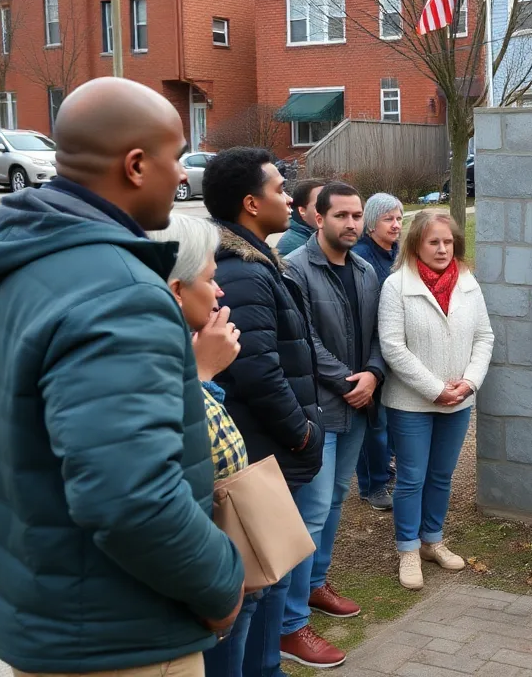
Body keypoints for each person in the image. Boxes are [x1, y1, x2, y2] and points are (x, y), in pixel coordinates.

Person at [0, 78, 244, 676]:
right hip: (119, 637)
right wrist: (221, 584)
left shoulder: (19, 260)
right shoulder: (119, 293)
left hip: (46, 612)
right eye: (176, 158)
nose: (182, 176)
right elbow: (132, 498)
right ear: (136, 165)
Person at [203, 147, 325, 677]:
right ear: (251, 204)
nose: (289, 198)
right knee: (253, 589)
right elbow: (258, 371)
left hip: (272, 450)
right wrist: (301, 433)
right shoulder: (245, 274)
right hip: (262, 454)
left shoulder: (259, 263)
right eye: (279, 189)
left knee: (272, 579)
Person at [281, 182, 388, 667]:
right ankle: (290, 623)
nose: (351, 223)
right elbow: (301, 340)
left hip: (358, 404)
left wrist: (374, 373)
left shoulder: (365, 271)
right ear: (317, 218)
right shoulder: (295, 269)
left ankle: (315, 584)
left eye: (357, 215)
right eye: (341, 215)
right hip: (318, 409)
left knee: (336, 500)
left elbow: (379, 334)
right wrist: (350, 380)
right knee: (310, 511)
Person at [148, 215, 255, 677]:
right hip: (191, 588)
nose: (219, 291)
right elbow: (184, 461)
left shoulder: (170, 345)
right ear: (176, 289)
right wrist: (203, 375)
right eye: (210, 279)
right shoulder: (147, 357)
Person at [378, 209, 494, 591]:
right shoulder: (396, 286)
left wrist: (469, 383)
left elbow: (484, 337)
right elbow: (393, 347)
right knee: (412, 477)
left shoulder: (468, 282)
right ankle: (408, 549)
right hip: (411, 402)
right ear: (416, 245)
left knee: (442, 475)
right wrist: (435, 388)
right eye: (434, 242)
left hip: (458, 400)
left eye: (448, 242)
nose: (443, 249)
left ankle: (432, 540)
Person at [353, 192, 405, 511]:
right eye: (388, 219)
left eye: (399, 218)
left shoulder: (397, 253)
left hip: (394, 350)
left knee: (391, 420)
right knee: (375, 424)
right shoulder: (361, 258)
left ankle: (385, 470)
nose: (396, 225)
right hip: (370, 353)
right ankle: (372, 486)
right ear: (371, 224)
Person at [276, 177, 326, 257]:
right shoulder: (290, 248)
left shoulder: (322, 236)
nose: (327, 210)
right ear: (302, 210)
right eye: (320, 205)